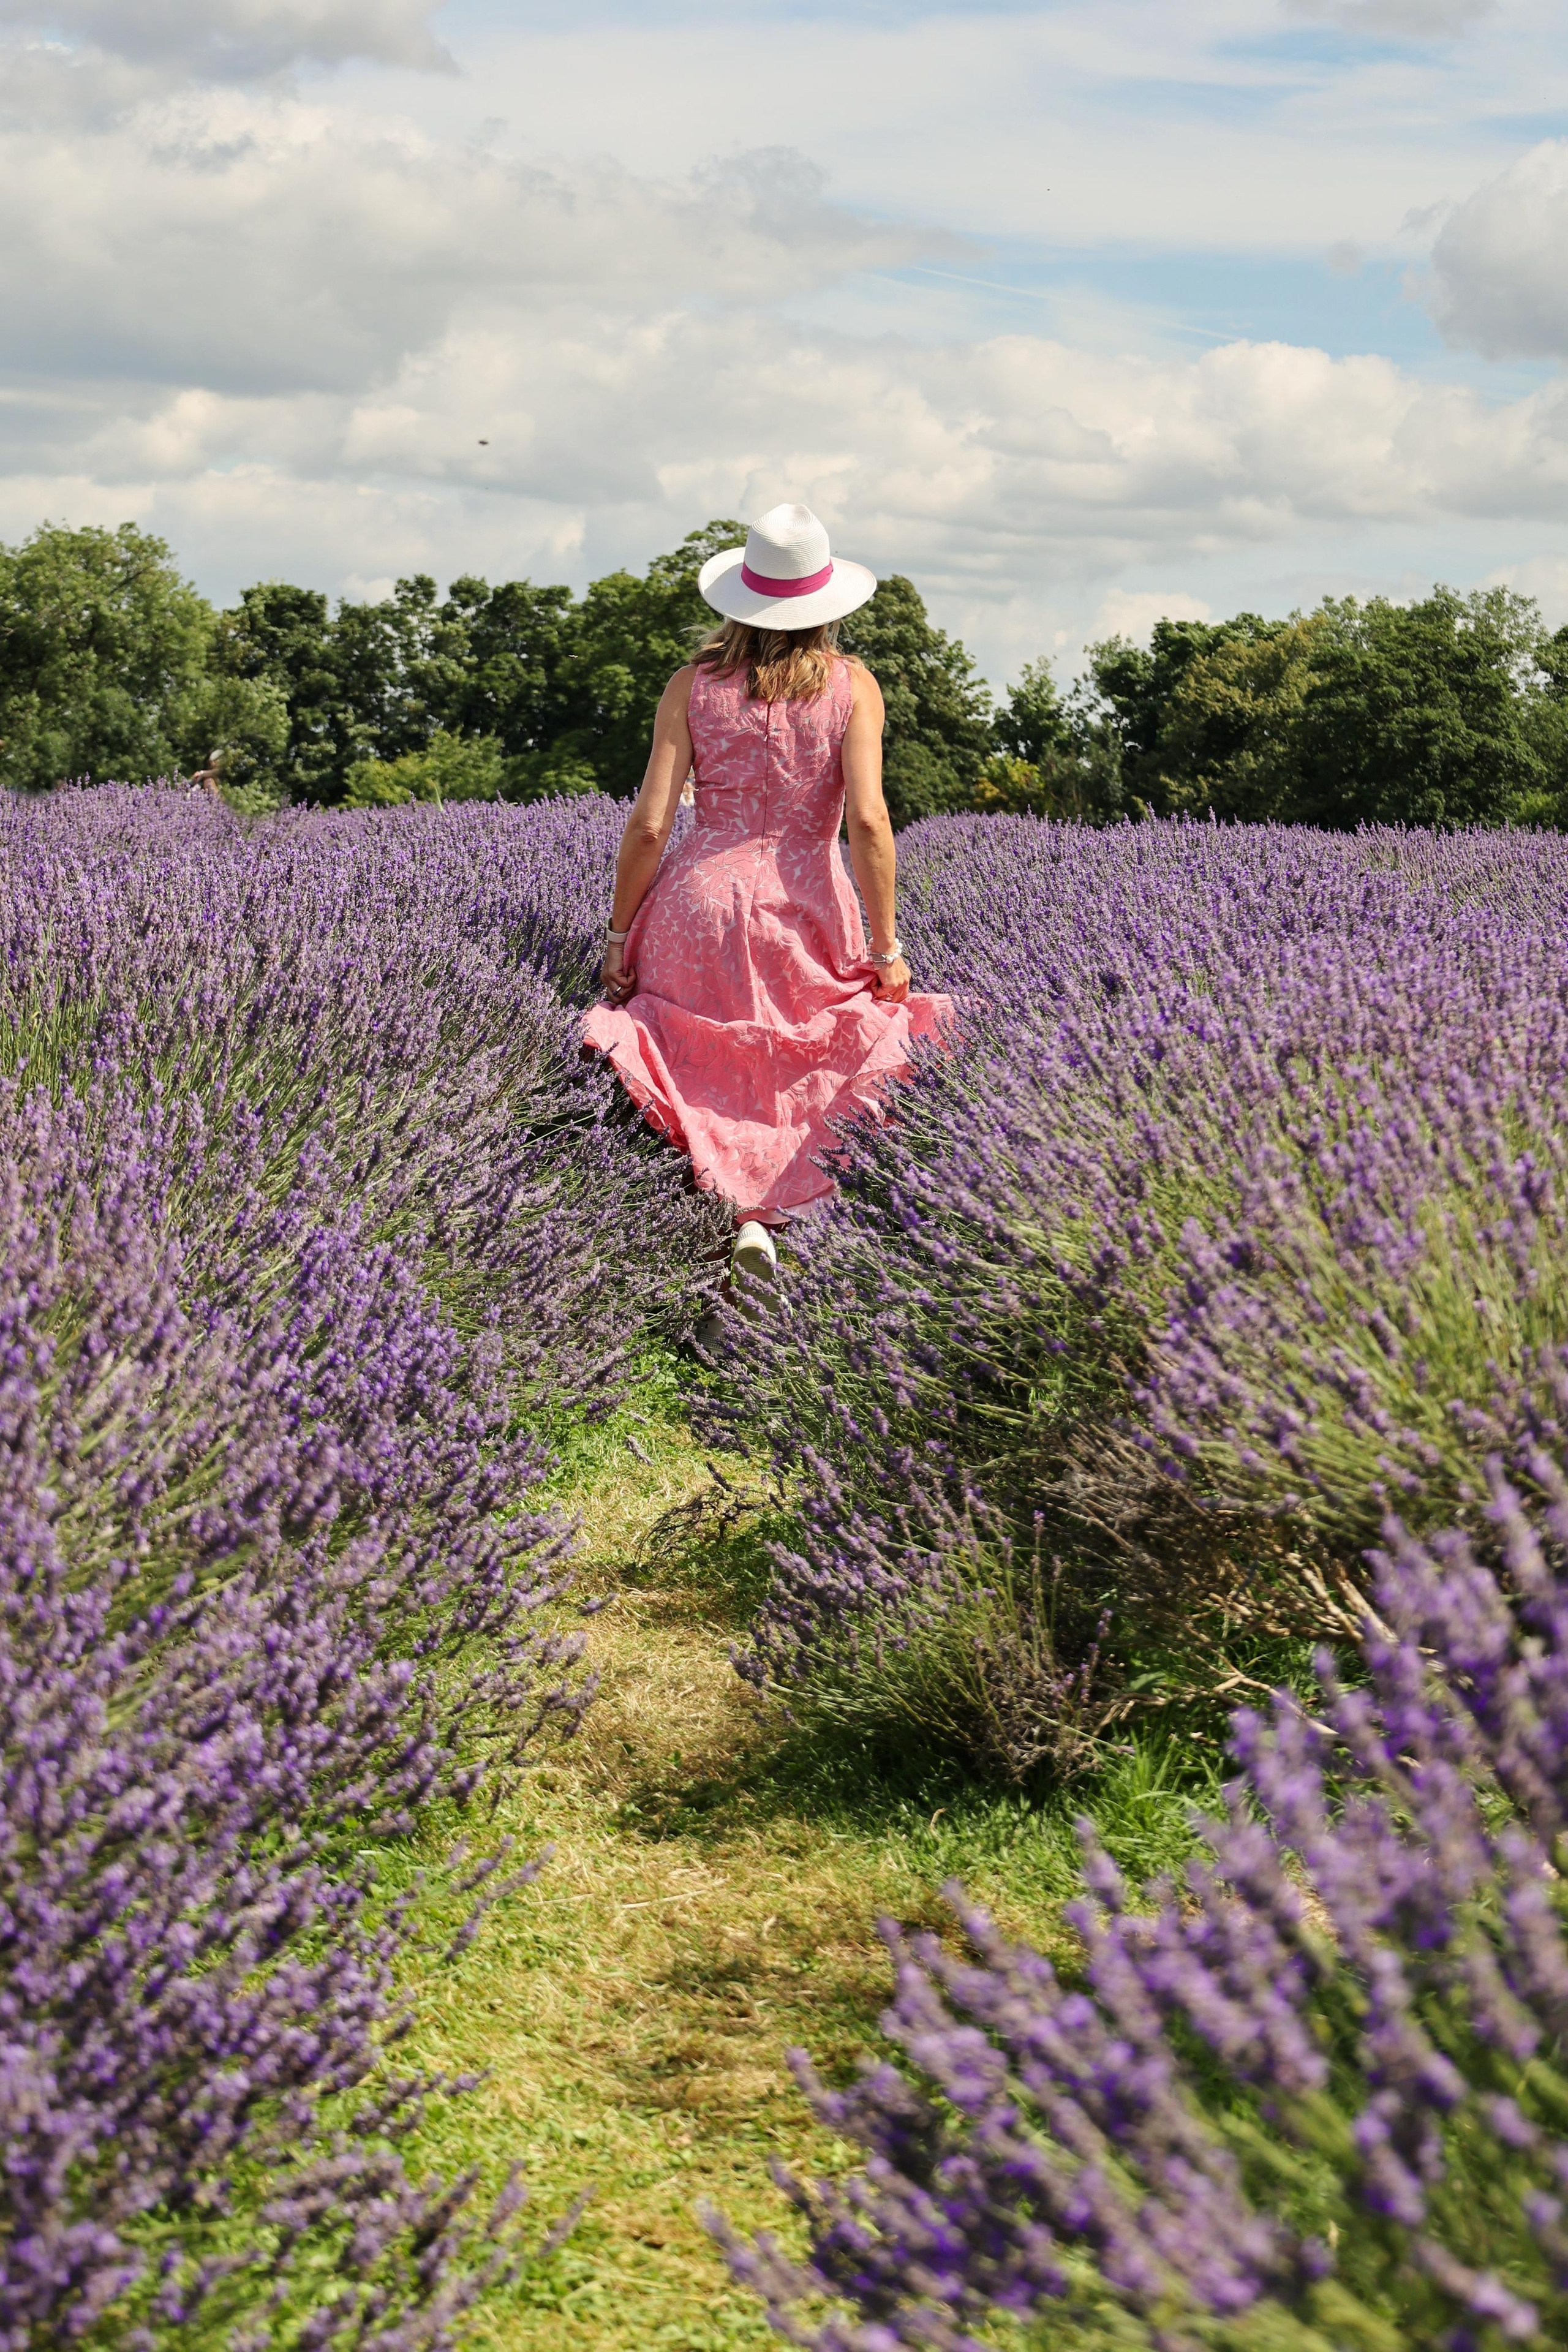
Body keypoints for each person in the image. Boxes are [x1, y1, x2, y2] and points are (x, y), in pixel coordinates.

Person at [581, 502, 954, 1279]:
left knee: (698, 1062)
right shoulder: (854, 686)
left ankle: (724, 1227)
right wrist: (887, 947)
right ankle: (779, 1217)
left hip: (698, 902)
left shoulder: (692, 685)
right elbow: (870, 821)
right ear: (825, 604)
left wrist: (618, 936)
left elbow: (651, 825)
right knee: (811, 1057)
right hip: (807, 901)